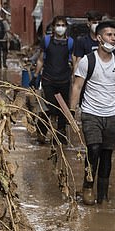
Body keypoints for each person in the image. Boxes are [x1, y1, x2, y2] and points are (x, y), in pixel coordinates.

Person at [68, 20, 115, 205]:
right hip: (91, 113)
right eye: (109, 35)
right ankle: (88, 186)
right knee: (94, 150)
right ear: (99, 38)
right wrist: (72, 111)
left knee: (107, 154)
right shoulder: (87, 61)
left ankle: (103, 194)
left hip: (112, 115)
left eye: (114, 35)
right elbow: (77, 87)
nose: (113, 38)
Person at [35, 15, 75, 145]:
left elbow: (73, 62)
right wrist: (36, 75)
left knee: (64, 109)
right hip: (48, 80)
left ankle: (60, 134)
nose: (60, 28)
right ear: (53, 27)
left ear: (66, 28)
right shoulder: (46, 41)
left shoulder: (70, 43)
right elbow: (41, 59)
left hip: (64, 81)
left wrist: (74, 78)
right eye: (58, 25)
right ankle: (41, 130)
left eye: (63, 25)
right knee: (50, 107)